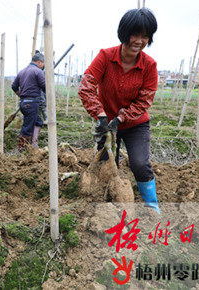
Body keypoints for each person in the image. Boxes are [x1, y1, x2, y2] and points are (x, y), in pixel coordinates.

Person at [78, 8, 160, 214]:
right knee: (106, 164)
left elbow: (145, 100)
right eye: (135, 34)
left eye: (145, 36)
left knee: (140, 164)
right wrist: (101, 114)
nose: (139, 41)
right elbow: (87, 85)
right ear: (124, 33)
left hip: (135, 124)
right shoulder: (106, 56)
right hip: (106, 123)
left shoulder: (149, 65)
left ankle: (152, 206)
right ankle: (107, 206)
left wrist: (122, 117)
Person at [11, 53, 45, 152]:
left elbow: (14, 86)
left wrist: (21, 95)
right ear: (39, 62)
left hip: (23, 103)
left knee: (38, 122)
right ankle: (21, 150)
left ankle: (34, 145)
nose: (43, 66)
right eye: (43, 64)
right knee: (27, 127)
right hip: (32, 103)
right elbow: (45, 86)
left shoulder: (22, 71)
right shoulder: (37, 71)